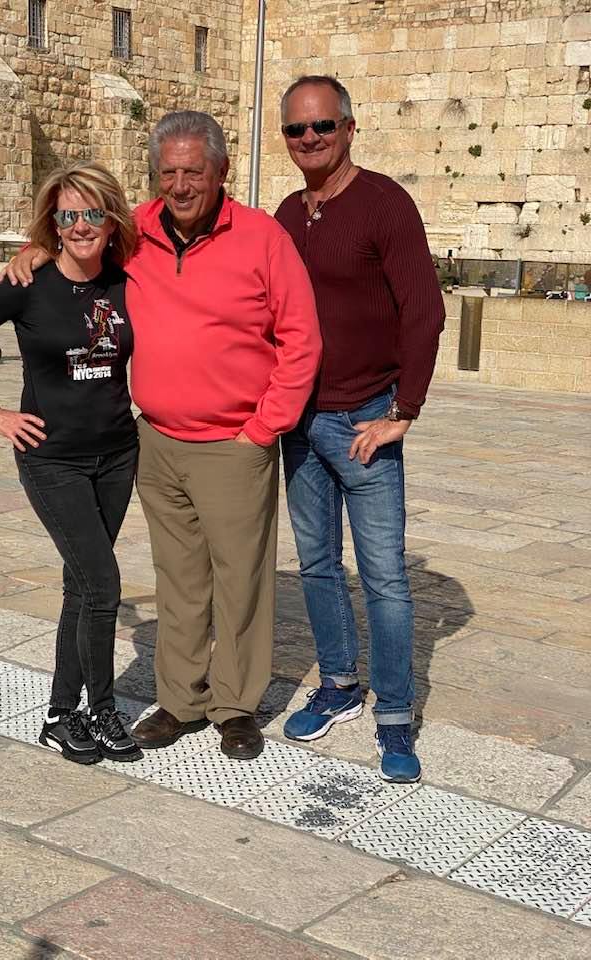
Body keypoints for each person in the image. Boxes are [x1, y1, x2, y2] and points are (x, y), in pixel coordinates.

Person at [5, 111, 322, 761]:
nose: (179, 185)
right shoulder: (137, 230)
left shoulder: (262, 239)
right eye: (168, 172)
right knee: (179, 578)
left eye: (193, 172)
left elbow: (301, 339)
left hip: (236, 441)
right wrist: (37, 248)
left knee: (241, 578)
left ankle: (235, 707)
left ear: (221, 172)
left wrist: (264, 427)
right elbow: (78, 242)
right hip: (156, 441)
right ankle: (181, 701)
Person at [0, 161, 142, 766]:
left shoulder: (127, 281)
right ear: (53, 221)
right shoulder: (27, 284)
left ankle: (59, 713)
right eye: (66, 215)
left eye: (91, 213)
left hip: (117, 455)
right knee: (103, 584)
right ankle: (100, 708)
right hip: (52, 460)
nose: (80, 226)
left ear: (109, 218)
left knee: (82, 584)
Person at [275, 75, 445, 783]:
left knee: (385, 581)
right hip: (300, 421)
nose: (309, 139)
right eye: (295, 130)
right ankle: (341, 685)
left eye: (321, 126)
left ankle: (397, 716)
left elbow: (425, 312)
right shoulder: (287, 213)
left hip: (366, 416)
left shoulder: (385, 204)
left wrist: (403, 412)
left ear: (349, 128)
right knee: (317, 566)